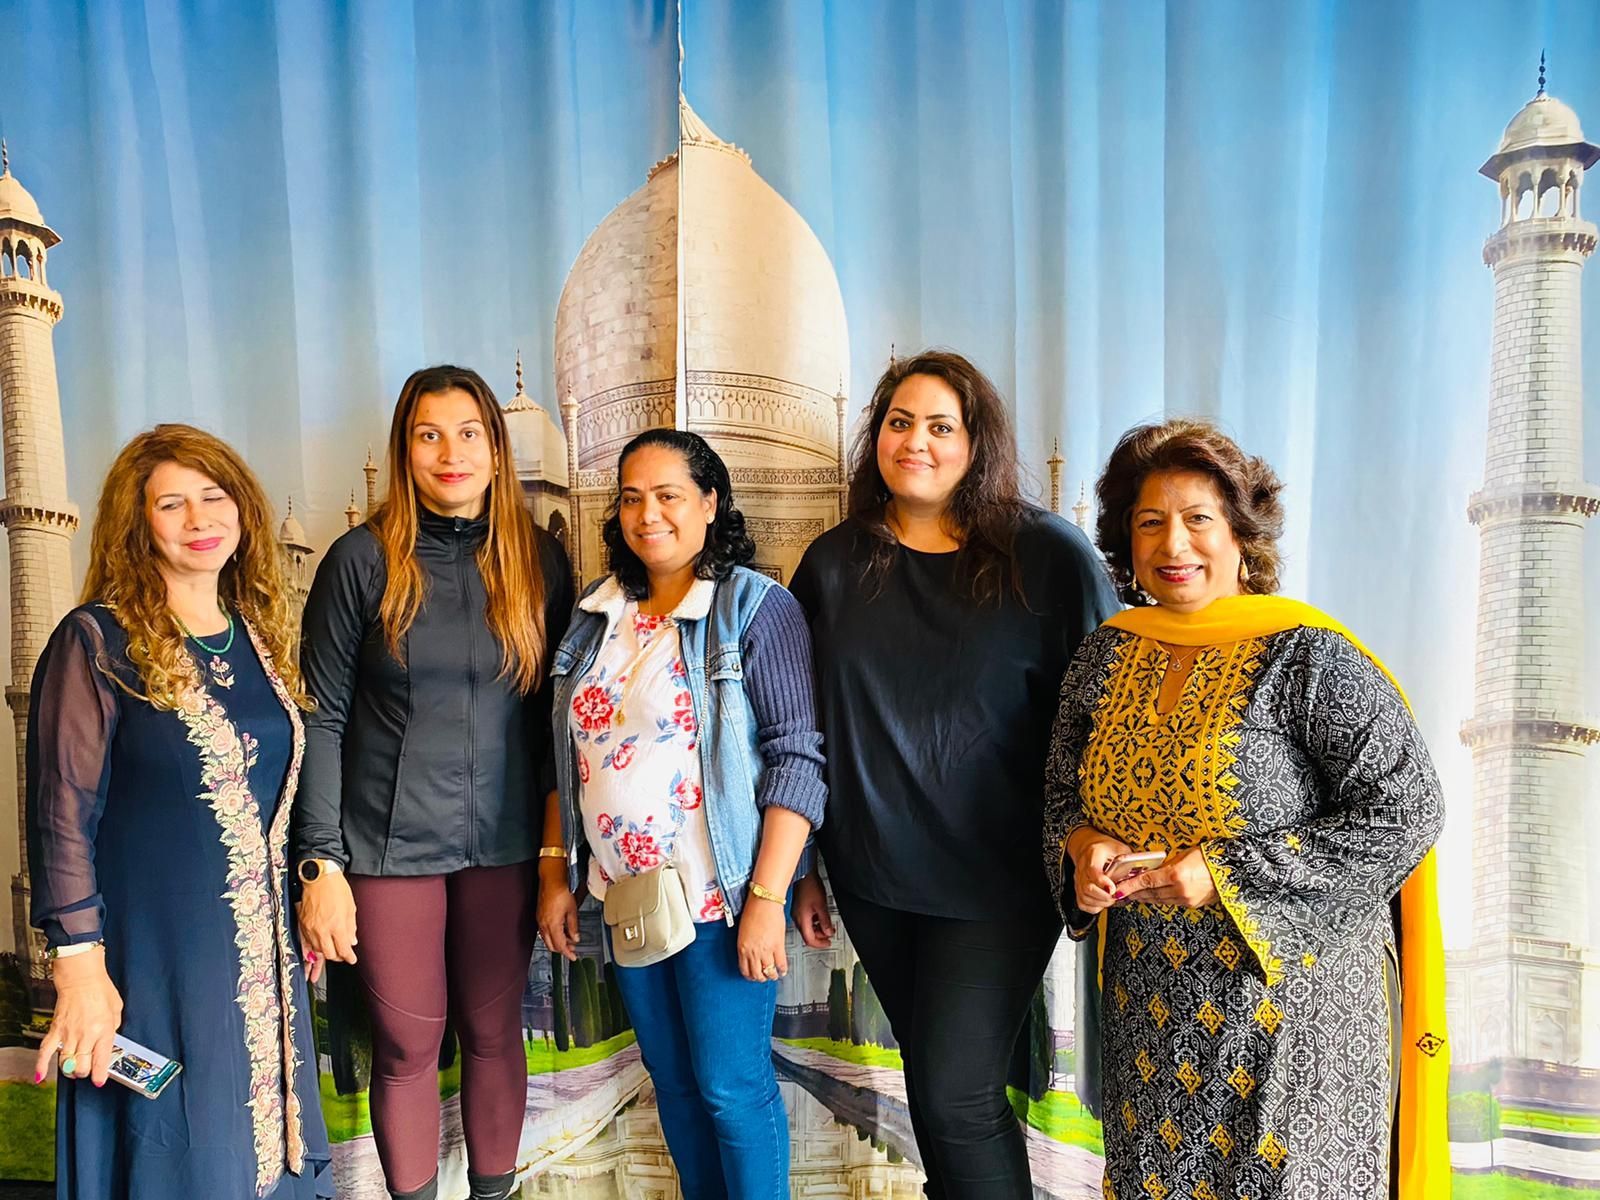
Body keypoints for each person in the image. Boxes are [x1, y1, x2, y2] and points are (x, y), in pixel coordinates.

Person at [1043, 417, 1451, 1200]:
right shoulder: (1105, 655)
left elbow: (1406, 808)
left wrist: (1224, 871)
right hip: (1151, 1014)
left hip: (1290, 1020)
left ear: (1240, 535)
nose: (1174, 544)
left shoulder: (1304, 654)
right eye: (1150, 522)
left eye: (1198, 519)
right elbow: (1062, 794)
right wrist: (1084, 847)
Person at [787, 350, 1118, 1198]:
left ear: (979, 442)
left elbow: (1103, 715)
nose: (918, 443)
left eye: (943, 426)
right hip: (876, 877)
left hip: (998, 881)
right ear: (876, 437)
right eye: (901, 422)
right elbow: (803, 729)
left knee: (955, 1092)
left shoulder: (1047, 556)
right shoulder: (832, 564)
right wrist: (808, 867)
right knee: (940, 1095)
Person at [27, 424, 332, 1199]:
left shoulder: (260, 640)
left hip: (264, 964)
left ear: (243, 510)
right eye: (172, 504)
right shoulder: (96, 641)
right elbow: (63, 813)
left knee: (266, 1149)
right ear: (140, 523)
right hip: (153, 963)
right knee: (181, 1147)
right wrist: (80, 968)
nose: (200, 519)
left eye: (214, 496)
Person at [294, 365, 573, 1200]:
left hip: (504, 845)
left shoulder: (539, 564)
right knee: (408, 1047)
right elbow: (323, 717)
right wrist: (322, 864)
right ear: (403, 450)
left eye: (468, 434)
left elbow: (554, 726)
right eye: (428, 435)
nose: (449, 453)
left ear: (496, 451)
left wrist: (555, 857)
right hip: (386, 851)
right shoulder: (361, 560)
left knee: (494, 1034)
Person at [538, 428, 825, 1200]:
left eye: (668, 495)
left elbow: (798, 759)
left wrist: (767, 899)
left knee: (732, 1089)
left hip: (719, 898)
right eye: (632, 498)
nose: (648, 514)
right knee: (676, 1085)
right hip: (626, 896)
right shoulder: (596, 615)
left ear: (710, 503)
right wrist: (554, 874)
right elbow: (565, 760)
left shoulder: (755, 610)